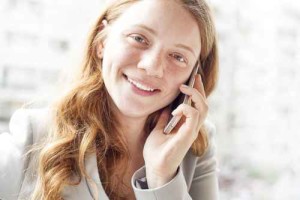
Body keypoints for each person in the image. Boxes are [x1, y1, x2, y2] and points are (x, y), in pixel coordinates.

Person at [0, 0, 219, 199]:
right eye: (139, 39)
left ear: (194, 76)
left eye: (178, 57)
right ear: (102, 41)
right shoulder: (33, 136)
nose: (152, 67)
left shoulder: (194, 147)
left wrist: (162, 177)